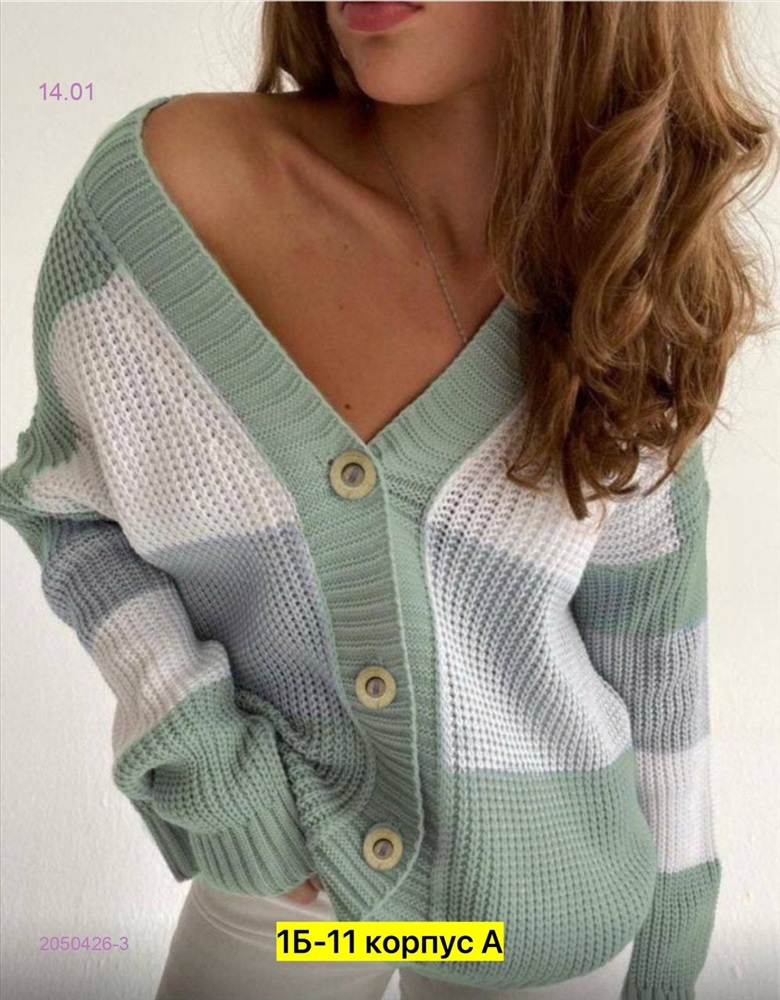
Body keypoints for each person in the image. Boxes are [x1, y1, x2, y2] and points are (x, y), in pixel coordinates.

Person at [1, 3, 776, 1000]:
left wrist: (668, 953)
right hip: (291, 899)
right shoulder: (162, 201)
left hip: (539, 913)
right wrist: (206, 758)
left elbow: (654, 645)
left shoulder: (622, 269)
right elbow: (69, 507)